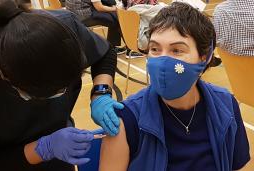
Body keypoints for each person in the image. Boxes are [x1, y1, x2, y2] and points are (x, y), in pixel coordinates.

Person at [99, 2, 250, 171]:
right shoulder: (125, 120)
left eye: (177, 50)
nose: (163, 62)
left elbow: (239, 166)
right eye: (155, 49)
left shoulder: (226, 105)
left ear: (204, 56)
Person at [0, 0, 123, 170]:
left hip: (61, 148)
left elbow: (105, 53)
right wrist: (43, 148)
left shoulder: (65, 28)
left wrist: (101, 94)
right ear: (4, 75)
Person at [65, 0, 144, 57]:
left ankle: (112, 47)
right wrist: (115, 9)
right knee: (119, 17)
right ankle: (131, 49)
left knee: (114, 17)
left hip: (72, 15)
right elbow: (100, 8)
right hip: (84, 16)